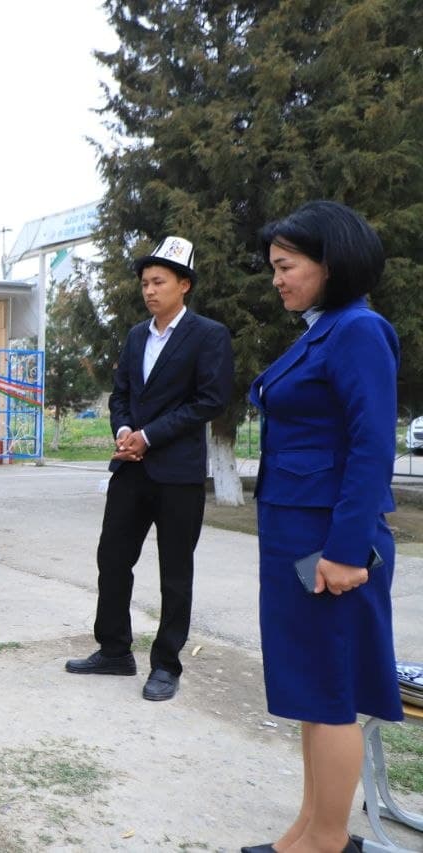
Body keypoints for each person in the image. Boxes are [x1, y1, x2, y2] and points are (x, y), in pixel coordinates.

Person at [240, 202, 401, 853]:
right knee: (312, 687)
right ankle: (306, 829)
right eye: (274, 267)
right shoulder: (325, 329)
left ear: (329, 263)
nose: (276, 279)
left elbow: (372, 445)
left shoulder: (358, 330)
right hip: (298, 535)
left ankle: (328, 839)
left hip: (330, 544)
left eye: (287, 266)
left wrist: (345, 551)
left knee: (332, 689)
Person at [65, 236, 233, 701]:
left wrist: (150, 436)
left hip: (177, 474)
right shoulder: (138, 335)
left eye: (159, 281)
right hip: (131, 469)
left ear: (184, 284)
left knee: (175, 572)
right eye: (144, 283)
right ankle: (114, 650)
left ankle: (166, 665)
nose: (150, 290)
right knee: (112, 559)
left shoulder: (208, 335)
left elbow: (209, 401)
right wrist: (123, 431)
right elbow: (121, 393)